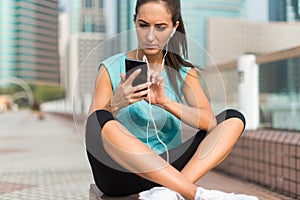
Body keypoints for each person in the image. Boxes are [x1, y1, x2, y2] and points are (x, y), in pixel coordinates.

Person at [85, 0, 257, 200]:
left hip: (169, 169)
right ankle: (195, 194)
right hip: (122, 172)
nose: (150, 36)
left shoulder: (183, 72)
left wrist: (165, 102)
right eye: (143, 25)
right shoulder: (110, 68)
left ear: (174, 28)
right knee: (100, 118)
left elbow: (209, 122)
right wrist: (117, 103)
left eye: (160, 27)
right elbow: (93, 128)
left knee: (233, 118)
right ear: (134, 23)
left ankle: (169, 193)